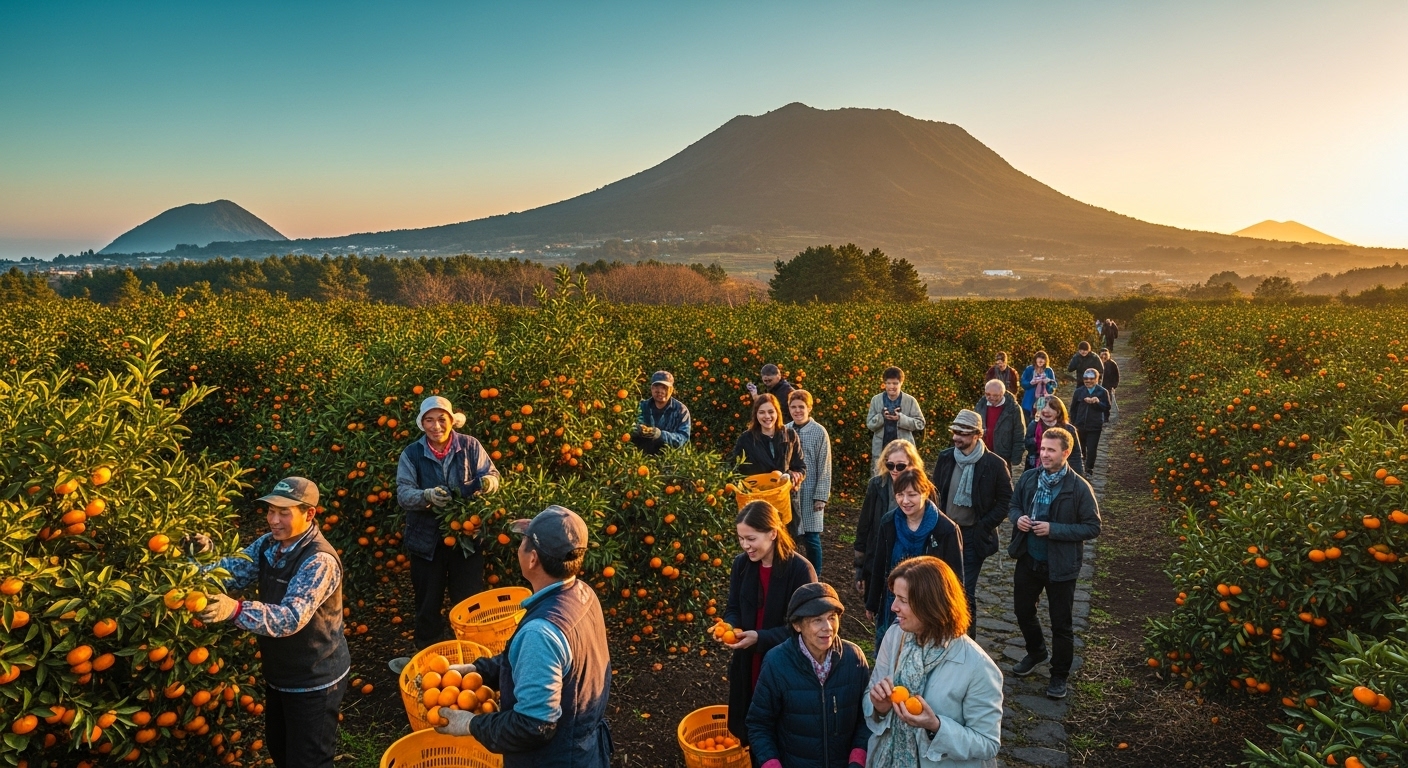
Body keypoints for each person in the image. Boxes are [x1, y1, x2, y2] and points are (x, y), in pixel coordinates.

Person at [186, 477, 350, 768]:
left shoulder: (319, 560)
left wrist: (235, 610)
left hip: (315, 678)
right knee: (281, 750)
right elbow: (231, 573)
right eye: (271, 511)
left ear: (309, 514)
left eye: (284, 512)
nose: (274, 520)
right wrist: (196, 560)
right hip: (281, 673)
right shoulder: (268, 545)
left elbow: (290, 618)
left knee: (310, 760)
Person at [435, 505, 613, 767]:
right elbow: (541, 663)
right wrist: (477, 670)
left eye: (523, 542)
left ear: (533, 560)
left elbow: (534, 725)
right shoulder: (583, 594)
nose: (519, 547)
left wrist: (472, 724)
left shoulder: (540, 632)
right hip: (585, 750)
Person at [392, 396, 500, 670]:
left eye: (442, 419)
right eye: (429, 420)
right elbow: (404, 493)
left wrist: (489, 482)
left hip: (466, 536)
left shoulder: (470, 446)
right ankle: (429, 660)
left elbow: (491, 473)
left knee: (469, 600)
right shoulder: (412, 454)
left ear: (452, 421)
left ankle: (474, 661)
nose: (436, 425)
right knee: (428, 601)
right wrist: (425, 496)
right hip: (426, 541)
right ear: (422, 423)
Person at [863, 557, 1003, 767]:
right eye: (894, 597)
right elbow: (870, 695)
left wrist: (936, 727)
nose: (893, 607)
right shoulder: (894, 636)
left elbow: (987, 744)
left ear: (930, 605)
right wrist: (879, 706)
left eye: (903, 600)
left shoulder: (977, 666)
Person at [1008, 427, 1102, 700]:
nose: (1044, 454)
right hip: (1029, 558)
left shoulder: (1078, 487)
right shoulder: (1029, 478)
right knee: (1023, 611)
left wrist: (1054, 530)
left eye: (1051, 450)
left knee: (1061, 624)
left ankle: (1059, 675)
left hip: (1061, 565)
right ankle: (1036, 651)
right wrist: (1018, 519)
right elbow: (1013, 506)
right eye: (1042, 448)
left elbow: (1092, 527)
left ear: (1066, 452)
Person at [723, 501, 818, 748]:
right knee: (753, 728)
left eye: (751, 539)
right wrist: (729, 626)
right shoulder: (741, 565)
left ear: (773, 533)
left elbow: (806, 629)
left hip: (783, 665)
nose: (745, 546)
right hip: (748, 661)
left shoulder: (800, 570)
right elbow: (733, 607)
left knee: (780, 731)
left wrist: (760, 638)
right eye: (741, 539)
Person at [746, 582, 871, 768]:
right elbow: (759, 724)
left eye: (832, 617)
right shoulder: (776, 663)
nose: (827, 627)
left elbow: (866, 717)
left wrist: (858, 757)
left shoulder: (854, 658)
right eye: (817, 620)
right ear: (797, 625)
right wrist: (771, 763)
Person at [930, 410, 1013, 626]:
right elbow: (935, 492)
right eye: (955, 432)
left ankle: (967, 639)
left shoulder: (994, 464)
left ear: (978, 435)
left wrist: (983, 526)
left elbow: (1006, 501)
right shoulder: (946, 457)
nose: (957, 437)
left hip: (972, 537)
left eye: (963, 433)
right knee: (941, 586)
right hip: (945, 533)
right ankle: (943, 632)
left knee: (965, 590)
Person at [864, 469, 963, 649]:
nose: (905, 501)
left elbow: (955, 579)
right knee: (891, 653)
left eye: (912, 494)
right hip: (892, 605)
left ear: (925, 493)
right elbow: (879, 565)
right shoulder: (888, 522)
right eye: (900, 494)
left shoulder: (946, 529)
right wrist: (872, 602)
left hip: (928, 608)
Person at [853, 440, 926, 598]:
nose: (894, 470)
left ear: (912, 464)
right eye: (890, 465)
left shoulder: (924, 489)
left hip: (910, 559)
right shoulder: (877, 485)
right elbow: (864, 526)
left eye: (900, 466)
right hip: (878, 557)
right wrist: (859, 568)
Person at [728, 393, 807, 531]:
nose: (767, 416)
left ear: (777, 413)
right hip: (758, 505)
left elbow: (800, 466)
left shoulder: (789, 435)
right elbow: (733, 469)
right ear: (756, 415)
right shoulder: (746, 439)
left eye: (771, 411)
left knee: (785, 546)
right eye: (762, 412)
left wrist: (796, 475)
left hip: (784, 503)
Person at [786, 389, 832, 573]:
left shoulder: (819, 432)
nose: (797, 411)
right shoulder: (785, 429)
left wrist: (821, 496)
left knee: (812, 538)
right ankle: (792, 575)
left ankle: (816, 575)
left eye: (801, 407)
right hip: (790, 491)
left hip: (811, 491)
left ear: (809, 408)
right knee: (790, 536)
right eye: (793, 407)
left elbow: (825, 465)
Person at [866, 366, 927, 461]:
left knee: (903, 475)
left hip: (904, 451)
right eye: (888, 383)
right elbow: (870, 424)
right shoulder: (876, 400)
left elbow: (920, 423)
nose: (891, 387)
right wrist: (882, 417)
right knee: (880, 475)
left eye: (895, 383)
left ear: (901, 383)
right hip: (881, 451)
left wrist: (900, 418)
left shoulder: (910, 401)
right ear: (884, 383)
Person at [630, 370, 691, 455]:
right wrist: (635, 429)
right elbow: (628, 426)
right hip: (642, 459)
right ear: (651, 388)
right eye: (657, 386)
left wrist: (661, 436)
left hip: (668, 460)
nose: (660, 391)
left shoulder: (681, 410)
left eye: (665, 387)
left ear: (671, 390)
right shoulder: (641, 407)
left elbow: (683, 438)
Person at [1024, 396, 1084, 476]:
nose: (1046, 411)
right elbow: (1027, 447)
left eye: (1051, 408)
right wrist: (1034, 441)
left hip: (1061, 470)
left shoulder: (1069, 429)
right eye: (1043, 408)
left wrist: (1078, 475)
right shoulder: (1033, 426)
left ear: (1059, 412)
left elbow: (1076, 455)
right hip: (1036, 469)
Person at [974, 379, 1026, 471]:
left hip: (1003, 455)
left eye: (995, 395)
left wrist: (1016, 458)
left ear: (1002, 393)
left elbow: (1019, 433)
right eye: (988, 394)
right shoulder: (980, 406)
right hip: (982, 454)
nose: (991, 398)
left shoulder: (1013, 409)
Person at [1068, 369, 1110, 475]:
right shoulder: (1079, 391)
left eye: (1091, 379)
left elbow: (1106, 407)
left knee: (1091, 449)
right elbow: (1073, 408)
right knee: (1080, 448)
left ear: (1096, 379)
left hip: (1095, 425)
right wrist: (1073, 422)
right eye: (1086, 378)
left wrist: (1097, 402)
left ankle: (1089, 468)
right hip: (1079, 425)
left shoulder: (1102, 392)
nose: (1088, 381)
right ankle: (1081, 467)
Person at [1020, 352, 1058, 423]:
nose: (1041, 361)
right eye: (1039, 358)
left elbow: (1053, 387)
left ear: (1046, 360)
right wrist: (1031, 383)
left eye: (1043, 359)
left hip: (1044, 401)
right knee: (1028, 422)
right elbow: (1023, 383)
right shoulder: (1029, 369)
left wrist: (1048, 382)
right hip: (1029, 401)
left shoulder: (1049, 370)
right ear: (1035, 359)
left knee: (1042, 421)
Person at [1099, 349, 1120, 422]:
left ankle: (1106, 416)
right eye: (1102, 355)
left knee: (1107, 402)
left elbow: (1116, 376)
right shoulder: (1097, 363)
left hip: (1108, 386)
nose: (1104, 356)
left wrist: (1114, 385)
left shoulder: (1112, 364)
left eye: (1106, 355)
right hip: (1098, 385)